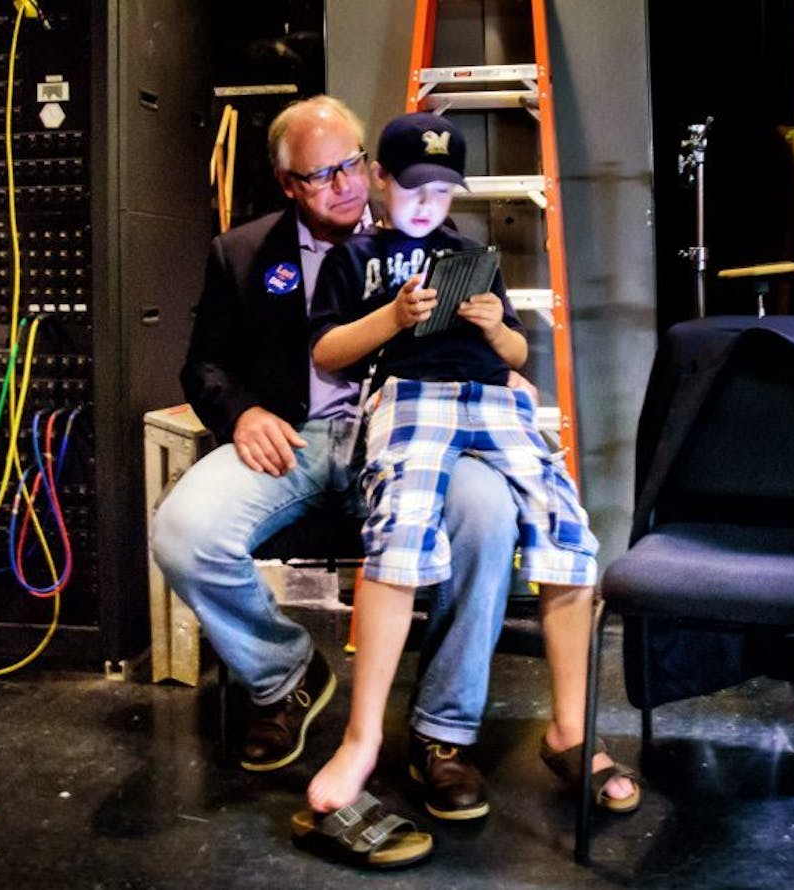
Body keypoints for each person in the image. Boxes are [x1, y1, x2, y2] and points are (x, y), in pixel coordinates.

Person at [151, 95, 520, 822]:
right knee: (183, 534)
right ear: (288, 184)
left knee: (488, 513)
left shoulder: (438, 240)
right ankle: (283, 674)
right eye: (321, 175)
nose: (343, 185)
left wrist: (504, 363)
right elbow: (204, 366)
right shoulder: (242, 253)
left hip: (418, 433)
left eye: (351, 164)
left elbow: (497, 344)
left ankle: (442, 732)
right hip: (298, 438)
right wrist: (244, 412)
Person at [304, 111, 640, 817]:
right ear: (379, 177)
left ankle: (571, 727)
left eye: (443, 191)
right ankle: (363, 739)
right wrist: (393, 318)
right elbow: (327, 353)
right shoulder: (356, 257)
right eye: (414, 188)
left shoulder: (472, 254)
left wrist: (495, 328)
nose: (428, 204)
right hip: (408, 398)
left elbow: (519, 357)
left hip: (489, 399)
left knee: (567, 529)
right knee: (400, 534)